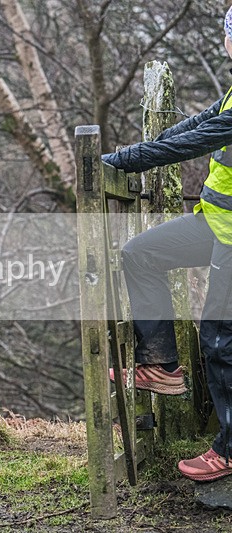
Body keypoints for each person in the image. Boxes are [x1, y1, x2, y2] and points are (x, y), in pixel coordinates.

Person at [102, 6, 232, 482]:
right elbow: (189, 129)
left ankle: (229, 450)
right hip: (218, 224)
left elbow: (184, 147)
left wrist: (115, 162)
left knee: (219, 337)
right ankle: (161, 366)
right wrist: (117, 156)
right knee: (140, 254)